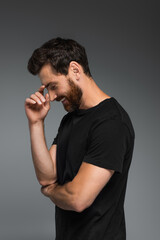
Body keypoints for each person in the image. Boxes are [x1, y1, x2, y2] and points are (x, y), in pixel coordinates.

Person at [25, 37, 135, 240]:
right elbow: (46, 177)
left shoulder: (111, 123)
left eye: (53, 85)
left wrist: (50, 192)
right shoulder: (69, 120)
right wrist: (36, 123)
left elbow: (78, 199)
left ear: (75, 70)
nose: (51, 96)